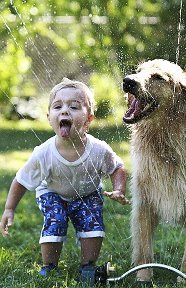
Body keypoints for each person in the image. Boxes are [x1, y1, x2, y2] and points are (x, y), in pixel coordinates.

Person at [0, 78, 129, 277]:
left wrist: (119, 189)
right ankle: (49, 266)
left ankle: (87, 267)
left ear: (89, 120)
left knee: (93, 226)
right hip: (52, 193)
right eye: (57, 106)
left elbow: (117, 167)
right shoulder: (43, 153)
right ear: (49, 117)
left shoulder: (98, 149)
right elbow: (21, 180)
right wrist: (9, 209)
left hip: (88, 193)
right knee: (56, 220)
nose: (65, 111)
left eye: (74, 107)